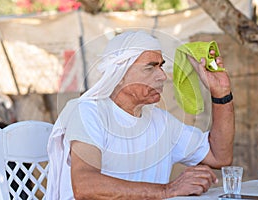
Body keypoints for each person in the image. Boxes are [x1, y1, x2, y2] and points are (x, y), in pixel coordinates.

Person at [46, 31, 235, 199]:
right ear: (119, 74)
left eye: (161, 66)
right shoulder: (88, 112)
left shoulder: (161, 121)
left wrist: (221, 94)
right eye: (150, 67)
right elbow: (85, 186)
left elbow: (219, 157)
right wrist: (167, 190)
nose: (162, 76)